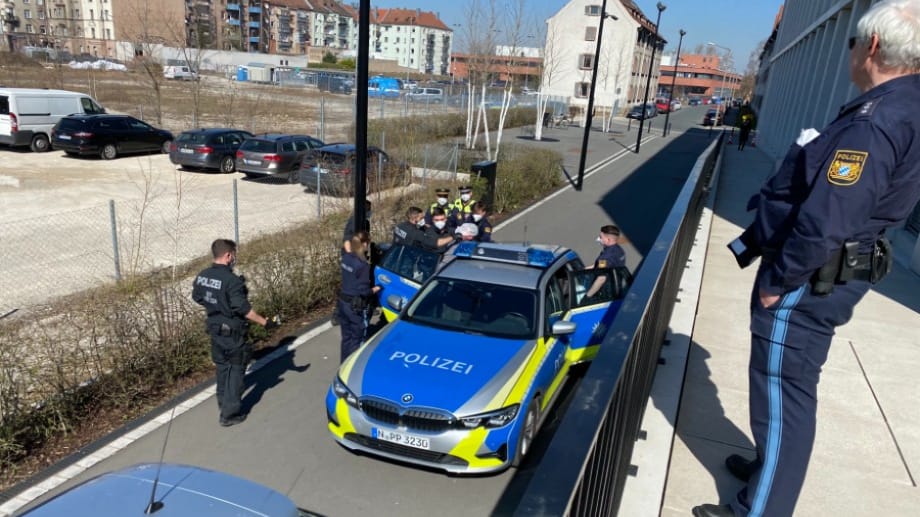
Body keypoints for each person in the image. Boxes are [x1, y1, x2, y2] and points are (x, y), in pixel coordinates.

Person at [694, 2, 920, 516]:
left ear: (874, 47)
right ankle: (767, 469)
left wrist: (780, 277)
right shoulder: (904, 105)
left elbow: (828, 217)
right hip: (832, 272)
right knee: (780, 391)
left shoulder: (876, 120)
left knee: (784, 398)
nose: (852, 54)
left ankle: (760, 509)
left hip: (810, 279)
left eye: (852, 43)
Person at [192, 239, 279, 427]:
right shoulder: (231, 281)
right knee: (236, 371)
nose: (235, 259)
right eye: (234, 255)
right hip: (232, 333)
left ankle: (222, 403)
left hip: (214, 330)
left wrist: (215, 305)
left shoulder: (203, 275)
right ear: (228, 255)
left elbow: (197, 296)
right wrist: (267, 323)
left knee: (222, 368)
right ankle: (229, 414)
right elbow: (244, 310)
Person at [338, 231, 381, 363]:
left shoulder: (346, 258)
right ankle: (353, 367)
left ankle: (343, 364)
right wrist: (377, 288)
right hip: (356, 307)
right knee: (358, 339)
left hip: (343, 303)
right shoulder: (362, 266)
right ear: (364, 244)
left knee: (346, 338)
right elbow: (364, 291)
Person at [584, 225, 627, 298]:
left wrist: (587, 297)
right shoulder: (619, 251)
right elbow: (599, 265)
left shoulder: (605, 257)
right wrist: (584, 270)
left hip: (606, 294)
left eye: (601, 237)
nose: (598, 239)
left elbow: (601, 278)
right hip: (616, 288)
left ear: (608, 240)